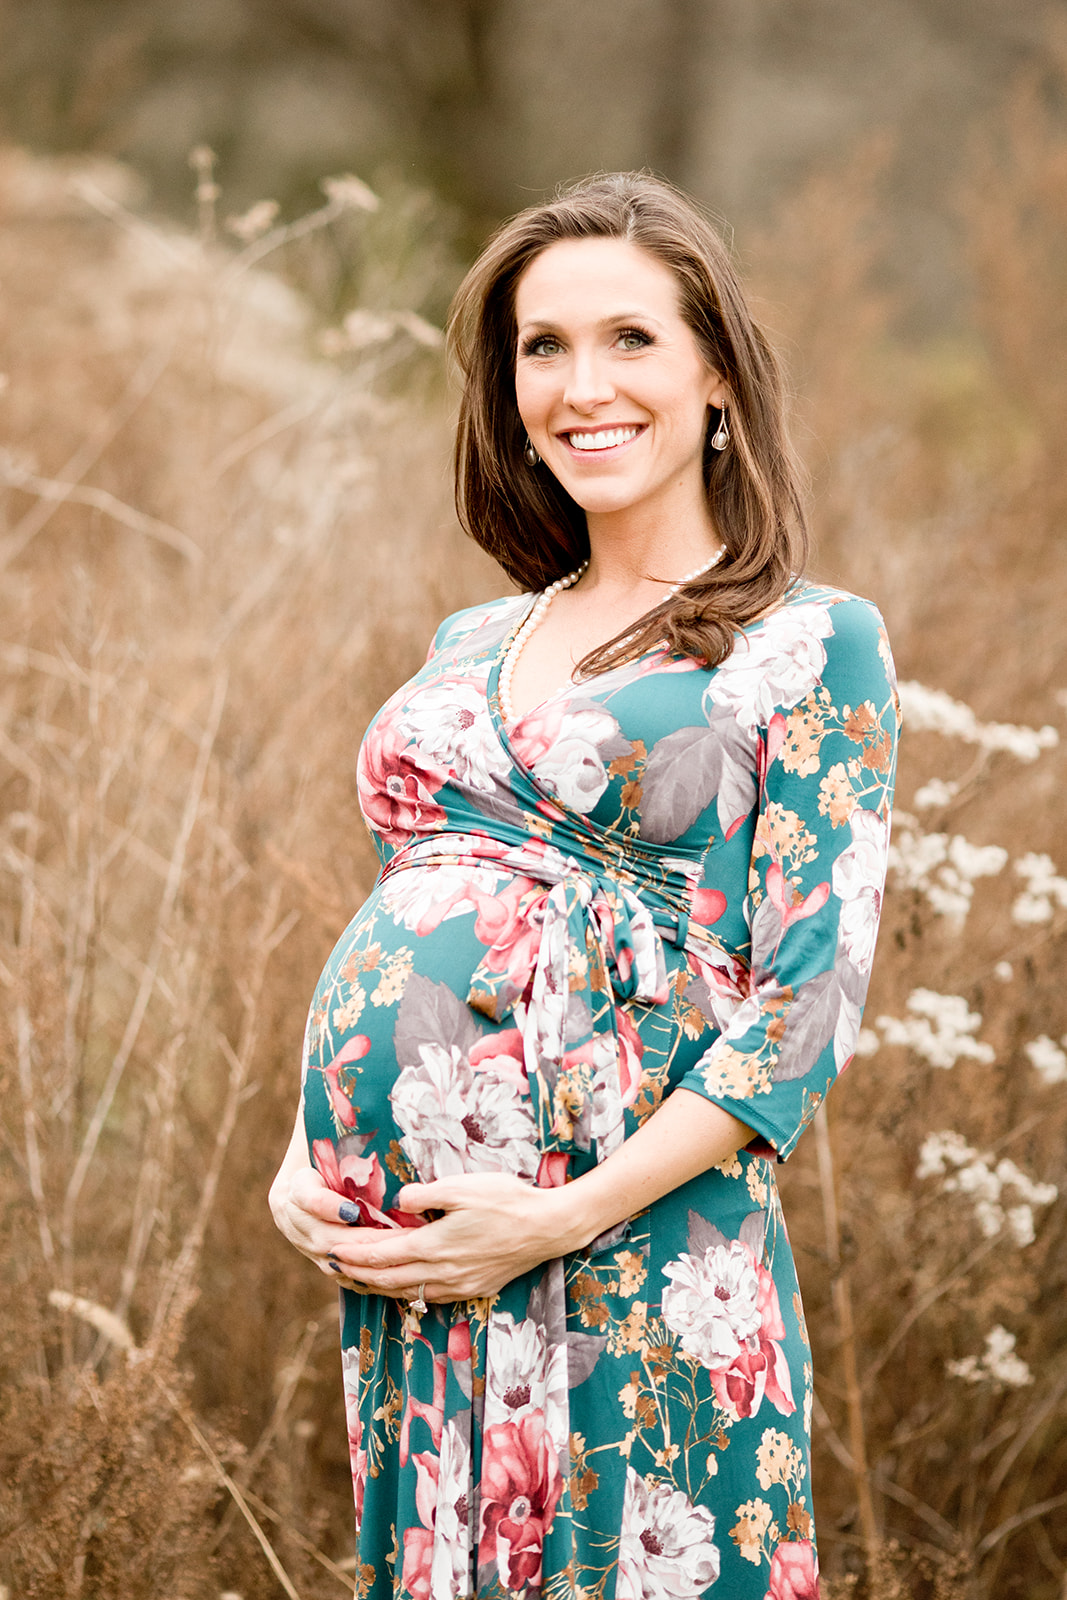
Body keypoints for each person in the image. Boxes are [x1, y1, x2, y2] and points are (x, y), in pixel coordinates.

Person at [270, 171, 899, 1600]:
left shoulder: (809, 645)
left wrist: (557, 1217)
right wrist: (305, 1148)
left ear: (719, 377)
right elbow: (424, 920)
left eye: (631, 340)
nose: (580, 385)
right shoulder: (475, 631)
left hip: (629, 1249)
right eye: (541, 347)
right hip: (427, 1277)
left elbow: (801, 1017)